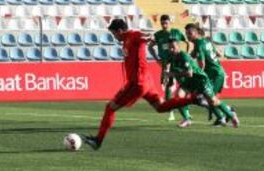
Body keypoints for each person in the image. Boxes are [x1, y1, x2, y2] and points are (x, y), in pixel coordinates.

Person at [81, 19, 199, 150]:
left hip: (137, 83)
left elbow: (145, 37)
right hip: (146, 82)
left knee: (110, 108)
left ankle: (98, 140)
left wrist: (149, 38)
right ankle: (194, 99)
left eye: (114, 34)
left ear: (120, 31)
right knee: (160, 107)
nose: (114, 37)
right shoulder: (127, 39)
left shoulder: (134, 35)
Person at [166, 39, 240, 129]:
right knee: (178, 96)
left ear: (178, 46)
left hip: (200, 80)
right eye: (170, 47)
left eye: (173, 47)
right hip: (189, 82)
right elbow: (171, 70)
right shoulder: (171, 57)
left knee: (213, 101)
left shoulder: (184, 56)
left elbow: (189, 73)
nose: (171, 49)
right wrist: (170, 79)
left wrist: (173, 74)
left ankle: (231, 115)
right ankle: (187, 119)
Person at [185, 23, 235, 125]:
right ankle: (221, 117)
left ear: (196, 33)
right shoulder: (205, 41)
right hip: (216, 72)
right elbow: (218, 54)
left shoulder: (199, 43)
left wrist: (199, 75)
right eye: (186, 34)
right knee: (207, 98)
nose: (188, 36)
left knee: (206, 98)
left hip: (214, 74)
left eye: (190, 33)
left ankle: (228, 112)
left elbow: (202, 63)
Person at [148, 14, 192, 127]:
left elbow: (187, 42)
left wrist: (188, 54)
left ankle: (185, 109)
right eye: (162, 23)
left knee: (183, 85)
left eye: (166, 22)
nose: (164, 25)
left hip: (178, 61)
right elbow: (150, 46)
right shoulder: (158, 35)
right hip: (166, 62)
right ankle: (171, 111)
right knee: (167, 84)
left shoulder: (176, 32)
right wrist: (156, 58)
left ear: (169, 22)